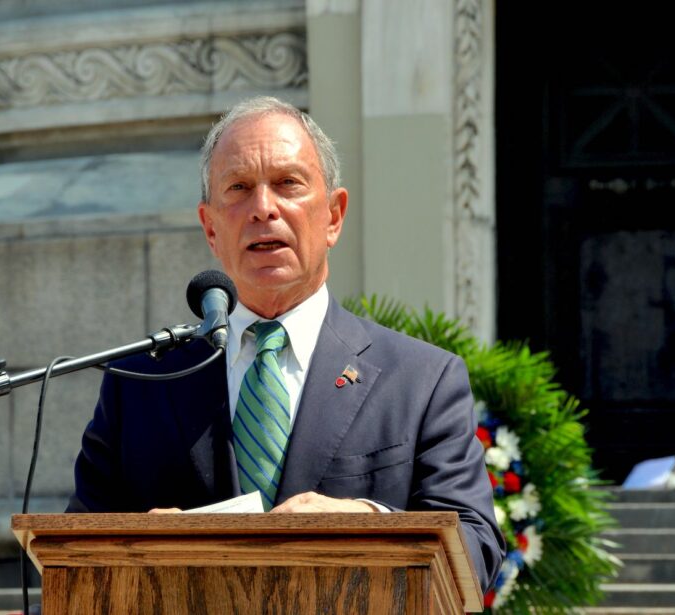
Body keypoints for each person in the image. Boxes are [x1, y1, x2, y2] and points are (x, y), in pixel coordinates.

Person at [67, 96, 505, 590]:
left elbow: (475, 546)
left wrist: (367, 522)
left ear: (333, 216)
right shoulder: (142, 381)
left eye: (288, 183)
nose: (263, 208)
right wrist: (138, 544)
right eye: (239, 188)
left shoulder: (421, 381)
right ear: (210, 227)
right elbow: (76, 558)